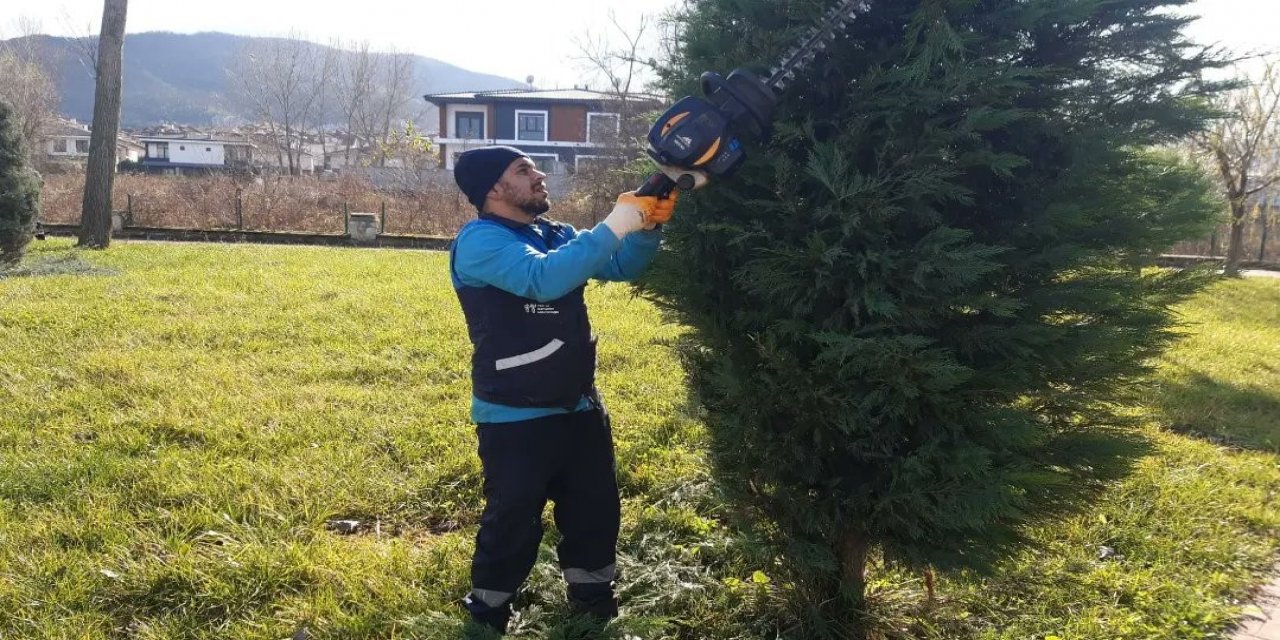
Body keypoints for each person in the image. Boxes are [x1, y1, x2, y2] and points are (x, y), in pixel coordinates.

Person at [448, 146, 684, 635]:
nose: (539, 175)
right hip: (514, 412)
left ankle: (592, 600)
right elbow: (543, 279)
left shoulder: (554, 234)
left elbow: (619, 266)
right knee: (512, 520)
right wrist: (617, 221)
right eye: (523, 170)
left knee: (595, 509)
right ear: (494, 189)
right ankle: (488, 612)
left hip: (578, 405)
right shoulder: (479, 241)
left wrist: (646, 228)